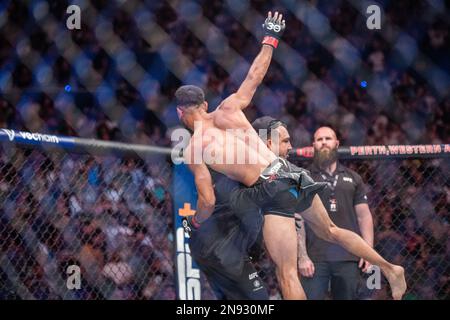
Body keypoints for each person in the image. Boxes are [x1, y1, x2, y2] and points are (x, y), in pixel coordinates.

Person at [176, 11, 406, 300]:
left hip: (269, 188)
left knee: (286, 272)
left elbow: (207, 199)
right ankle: (389, 267)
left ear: (180, 113)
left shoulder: (195, 146)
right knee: (331, 231)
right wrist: (270, 37)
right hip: (289, 173)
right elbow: (255, 75)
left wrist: (196, 222)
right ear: (205, 103)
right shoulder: (228, 108)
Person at [297, 126, 374, 300]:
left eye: (328, 138)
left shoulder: (354, 177)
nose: (324, 142)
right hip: (315, 257)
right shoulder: (304, 177)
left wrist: (368, 251)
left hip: (348, 255)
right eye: (319, 139)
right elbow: (298, 218)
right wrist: (302, 256)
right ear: (313, 145)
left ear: (337, 143)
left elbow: (364, 216)